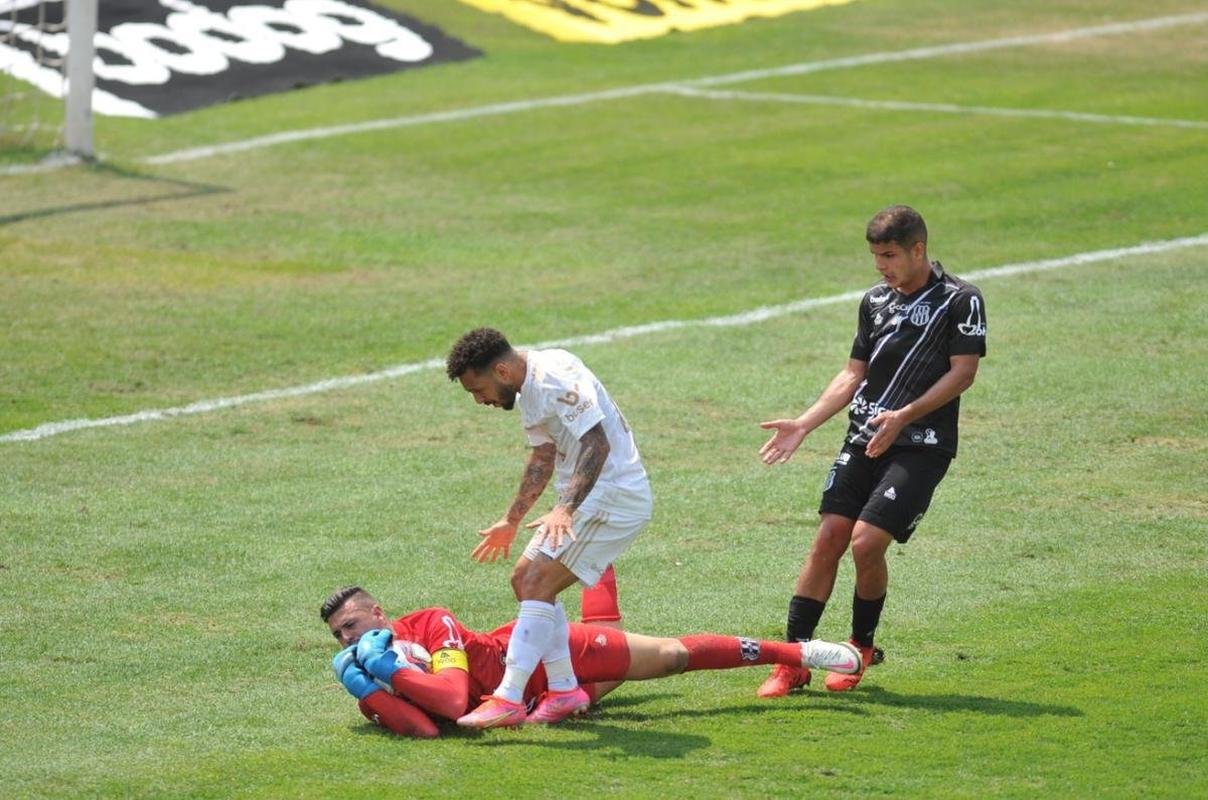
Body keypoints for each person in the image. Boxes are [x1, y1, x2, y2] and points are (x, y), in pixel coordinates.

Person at [756, 205, 987, 697]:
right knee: (828, 538)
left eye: (889, 255)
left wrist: (905, 415)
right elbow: (853, 373)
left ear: (918, 249)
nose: (881, 266)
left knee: (865, 542)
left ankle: (860, 646)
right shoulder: (875, 301)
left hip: (921, 444)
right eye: (875, 256)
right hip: (865, 435)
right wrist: (804, 423)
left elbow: (963, 372)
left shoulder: (960, 300)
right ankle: (792, 658)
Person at [444, 328, 653, 727]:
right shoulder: (529, 388)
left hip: (613, 497)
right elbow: (544, 455)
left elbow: (597, 443)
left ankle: (507, 698)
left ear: (502, 371)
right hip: (590, 496)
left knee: (538, 581)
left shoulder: (553, 379)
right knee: (524, 580)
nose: (479, 401)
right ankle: (563, 690)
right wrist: (512, 518)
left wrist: (564, 509)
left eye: (479, 389)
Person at [321, 586, 863, 737]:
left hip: (532, 658)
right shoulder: (363, 668)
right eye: (340, 635)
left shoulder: (427, 624)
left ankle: (798, 653)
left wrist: (390, 673)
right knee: (617, 651)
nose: (349, 638)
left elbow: (452, 699)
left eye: (353, 625)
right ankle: (595, 566)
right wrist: (367, 690)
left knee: (671, 657)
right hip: (538, 703)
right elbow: (427, 729)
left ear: (378, 613)